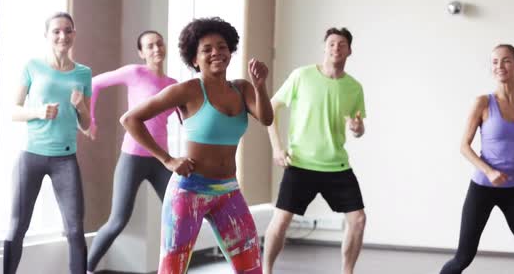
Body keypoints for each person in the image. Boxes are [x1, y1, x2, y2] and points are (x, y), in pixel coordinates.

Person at [120, 17, 273, 274]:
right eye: (207, 49)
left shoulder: (242, 89)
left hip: (228, 191)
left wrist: (260, 86)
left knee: (251, 267)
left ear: (230, 51)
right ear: (194, 58)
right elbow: (130, 119)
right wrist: (167, 160)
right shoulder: (187, 90)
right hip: (189, 191)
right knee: (173, 269)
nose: (216, 53)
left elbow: (266, 118)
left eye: (222, 47)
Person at [440, 44, 514, 274]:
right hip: (482, 187)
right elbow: (464, 146)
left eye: (506, 60)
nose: (499, 66)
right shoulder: (483, 102)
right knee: (463, 258)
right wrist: (489, 171)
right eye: (494, 62)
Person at [263, 27, 367, 274]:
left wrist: (357, 127)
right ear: (325, 47)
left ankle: (347, 272)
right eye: (331, 43)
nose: (336, 48)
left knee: (358, 220)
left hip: (336, 165)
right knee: (281, 222)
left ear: (349, 51)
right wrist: (277, 148)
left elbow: (359, 128)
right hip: (300, 164)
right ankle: (265, 270)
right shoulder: (302, 76)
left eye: (342, 44)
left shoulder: (354, 87)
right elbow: (271, 108)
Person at [4, 12, 91, 274]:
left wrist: (81, 106)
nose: (62, 36)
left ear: (74, 34)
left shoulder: (84, 73)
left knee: (75, 229)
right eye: (56, 31)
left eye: (68, 30)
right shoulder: (33, 66)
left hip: (65, 159)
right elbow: (13, 110)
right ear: (47, 35)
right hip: (31, 156)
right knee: (18, 225)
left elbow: (86, 124)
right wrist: (38, 112)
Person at [86, 31, 177, 273]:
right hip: (133, 157)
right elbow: (94, 83)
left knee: (179, 216)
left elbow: (188, 119)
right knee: (117, 221)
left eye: (159, 43)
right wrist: (91, 120)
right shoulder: (135, 73)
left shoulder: (173, 85)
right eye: (150, 46)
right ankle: (85, 269)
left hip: (161, 160)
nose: (156, 49)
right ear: (141, 53)